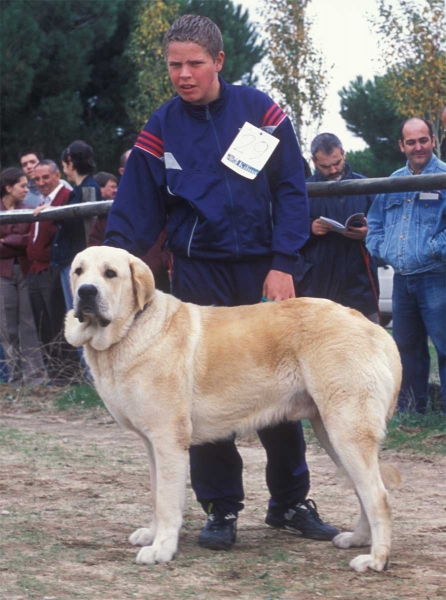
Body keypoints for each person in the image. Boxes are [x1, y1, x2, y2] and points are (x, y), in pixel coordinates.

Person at [104, 15, 338, 551]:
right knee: (197, 391)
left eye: (194, 63)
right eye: (174, 65)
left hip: (264, 268)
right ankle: (220, 508)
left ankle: (290, 502)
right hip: (198, 272)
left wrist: (285, 262)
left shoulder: (260, 110)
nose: (183, 74)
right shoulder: (160, 127)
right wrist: (107, 258)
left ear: (219, 62)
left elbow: (291, 189)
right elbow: (135, 208)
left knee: (280, 387)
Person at [367, 117, 446, 414]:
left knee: (445, 348)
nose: (418, 147)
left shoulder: (444, 177)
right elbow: (374, 223)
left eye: (423, 140)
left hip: (438, 277)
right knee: (405, 352)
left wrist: (433, 250)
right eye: (411, 142)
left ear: (433, 141)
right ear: (402, 146)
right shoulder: (394, 181)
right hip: (402, 280)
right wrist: (381, 248)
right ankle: (413, 414)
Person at [296, 133, 379, 322]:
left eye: (337, 162)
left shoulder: (366, 186)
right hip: (317, 285)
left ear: (343, 153)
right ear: (314, 161)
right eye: (326, 166)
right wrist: (310, 229)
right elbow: (285, 230)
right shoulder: (301, 191)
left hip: (361, 284)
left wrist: (368, 233)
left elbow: (384, 230)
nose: (333, 170)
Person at [27, 160, 74, 382]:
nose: (41, 183)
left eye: (45, 177)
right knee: (43, 323)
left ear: (57, 175)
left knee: (58, 320)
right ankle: (54, 373)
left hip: (52, 268)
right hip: (36, 270)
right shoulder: (42, 200)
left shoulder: (65, 196)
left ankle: (68, 373)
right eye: (36, 179)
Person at [90, 161, 171, 292]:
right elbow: (94, 247)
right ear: (123, 172)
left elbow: (170, 238)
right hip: (116, 288)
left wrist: (159, 263)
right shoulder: (109, 213)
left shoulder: (159, 205)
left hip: (155, 282)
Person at [0, 168, 46, 386]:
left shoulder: (29, 210)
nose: (27, 189)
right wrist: (17, 241)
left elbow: (30, 240)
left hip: (25, 271)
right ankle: (15, 377)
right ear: (8, 188)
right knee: (7, 326)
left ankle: (35, 378)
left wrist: (5, 241)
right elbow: (24, 239)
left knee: (28, 324)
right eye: (22, 185)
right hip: (2, 272)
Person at [51, 140, 101, 310]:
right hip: (74, 258)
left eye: (64, 165)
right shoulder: (80, 190)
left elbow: (79, 227)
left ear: (70, 162)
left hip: (77, 259)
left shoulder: (89, 190)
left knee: (77, 310)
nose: (65, 170)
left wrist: (55, 214)